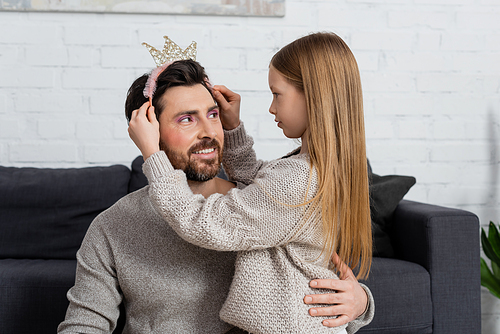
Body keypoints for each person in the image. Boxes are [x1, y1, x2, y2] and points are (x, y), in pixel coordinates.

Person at [58, 58, 373, 334]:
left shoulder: (262, 204)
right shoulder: (113, 226)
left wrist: (360, 303)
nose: (209, 130)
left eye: (213, 114)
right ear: (148, 132)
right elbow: (84, 324)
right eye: (187, 119)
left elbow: (311, 284)